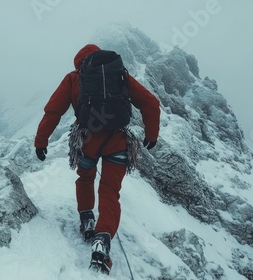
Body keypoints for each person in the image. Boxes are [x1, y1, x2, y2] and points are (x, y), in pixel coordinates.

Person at [34, 44, 160, 273]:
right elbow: (150, 103)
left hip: (87, 140)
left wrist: (41, 141)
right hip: (118, 141)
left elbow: (53, 111)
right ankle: (102, 240)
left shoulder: (74, 78)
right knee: (110, 190)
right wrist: (151, 135)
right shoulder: (120, 75)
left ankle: (87, 219)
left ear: (79, 63)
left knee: (85, 178)